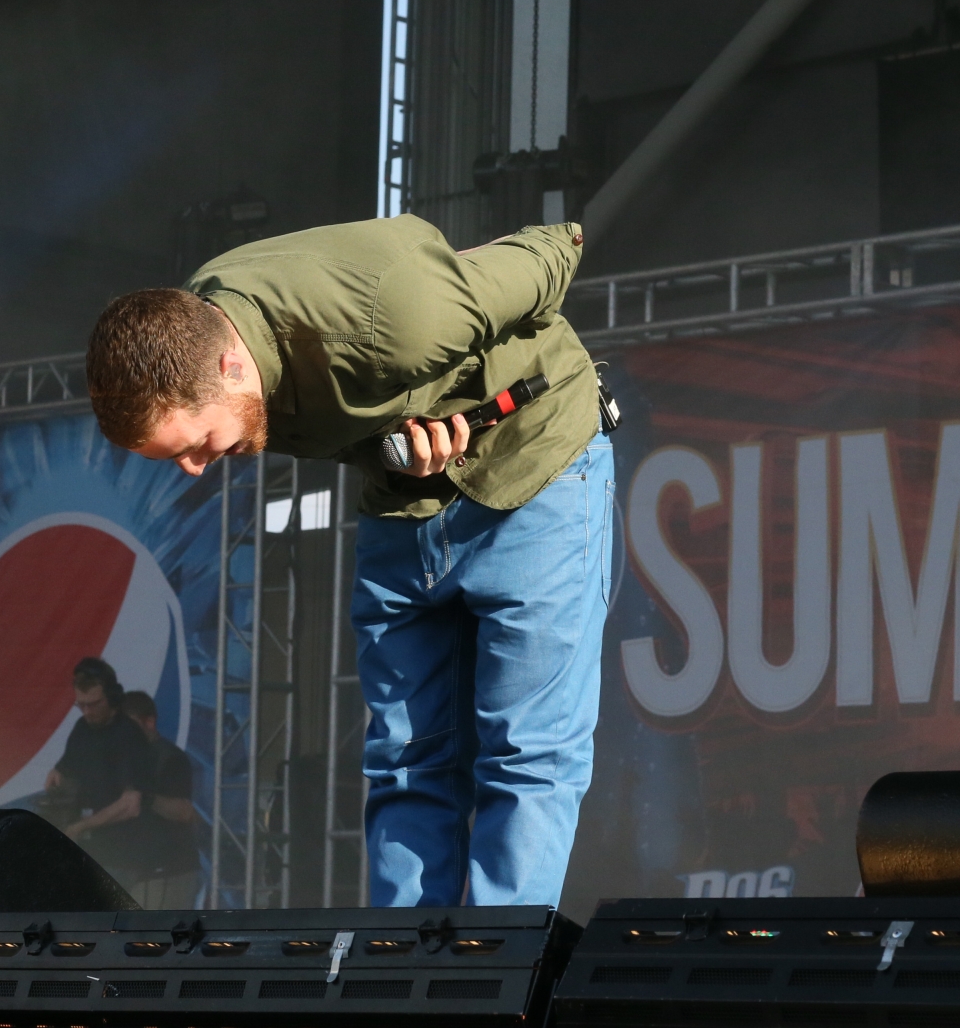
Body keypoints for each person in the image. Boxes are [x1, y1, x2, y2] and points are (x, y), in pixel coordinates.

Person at [85, 216, 613, 908]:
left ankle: (495, 972)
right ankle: (408, 973)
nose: (192, 468)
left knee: (526, 755)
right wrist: (393, 437)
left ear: (228, 366)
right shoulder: (194, 332)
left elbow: (556, 249)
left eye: (196, 443)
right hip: (402, 503)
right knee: (402, 761)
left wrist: (464, 286)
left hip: (532, 471)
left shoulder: (397, 315)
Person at [45, 657, 155, 881]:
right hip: (87, 852)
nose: (87, 711)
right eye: (81, 705)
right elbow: (62, 773)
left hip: (122, 857)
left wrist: (81, 826)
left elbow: (131, 805)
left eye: (94, 704)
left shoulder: (129, 735)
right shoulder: (82, 729)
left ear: (113, 698)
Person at [117, 691, 201, 909]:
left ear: (150, 722)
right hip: (134, 871)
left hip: (168, 872)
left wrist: (145, 797)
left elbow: (184, 812)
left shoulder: (170, 759)